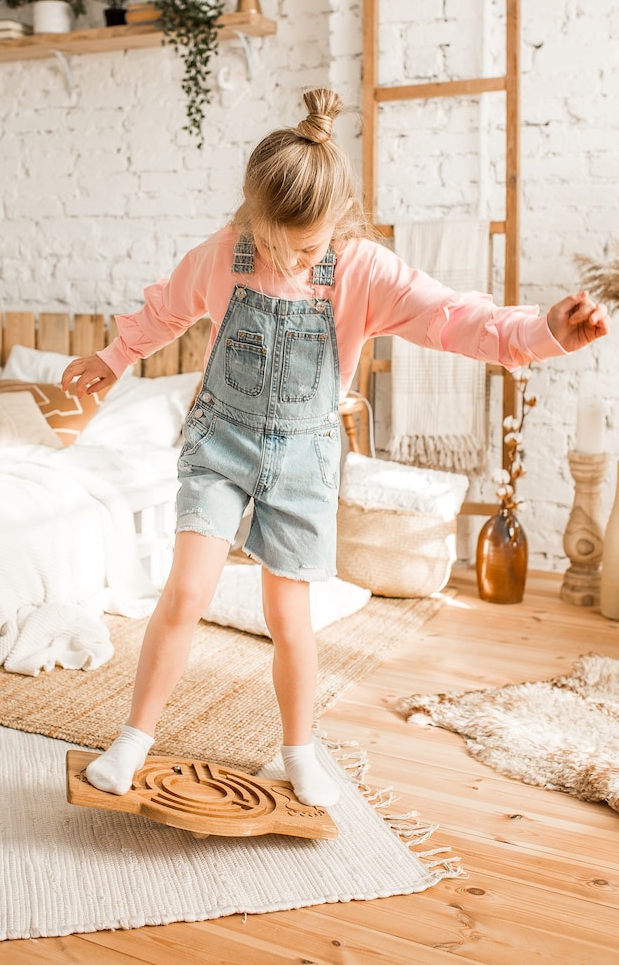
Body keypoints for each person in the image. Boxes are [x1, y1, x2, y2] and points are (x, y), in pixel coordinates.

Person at [62, 87, 610, 806]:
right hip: (220, 442)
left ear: (339, 223)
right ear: (252, 214)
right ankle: (134, 737)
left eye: (309, 246)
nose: (289, 257)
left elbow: (454, 319)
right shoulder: (225, 255)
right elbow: (165, 308)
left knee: (289, 616)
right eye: (275, 241)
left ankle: (297, 750)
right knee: (187, 590)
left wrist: (541, 332)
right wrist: (111, 358)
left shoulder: (361, 270)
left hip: (301, 458)